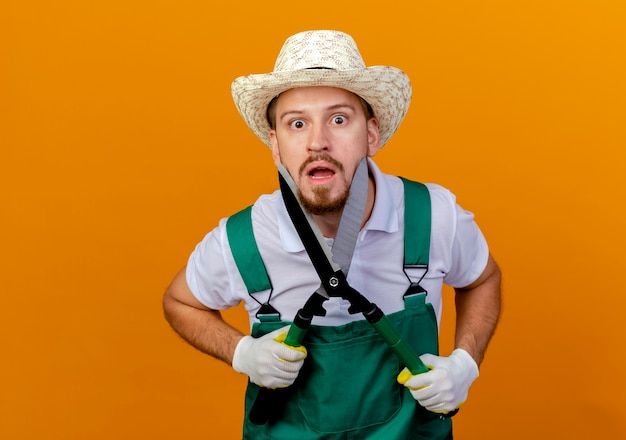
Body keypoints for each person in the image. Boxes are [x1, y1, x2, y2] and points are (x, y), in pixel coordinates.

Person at [163, 30, 501, 439]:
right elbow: (180, 302)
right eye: (297, 123)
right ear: (275, 144)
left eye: (338, 119)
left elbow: (483, 279)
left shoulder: (434, 216)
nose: (317, 142)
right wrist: (241, 352)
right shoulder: (241, 240)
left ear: (371, 134)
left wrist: (466, 362)